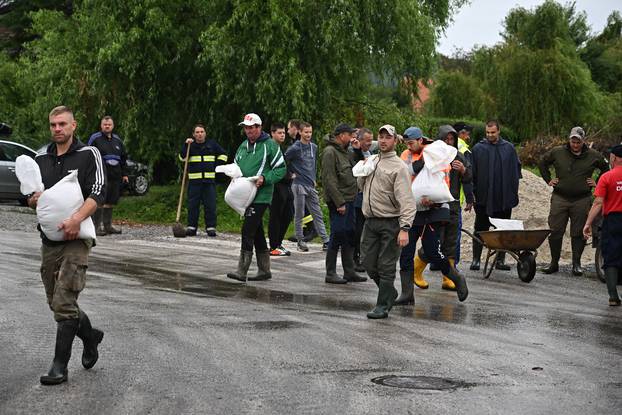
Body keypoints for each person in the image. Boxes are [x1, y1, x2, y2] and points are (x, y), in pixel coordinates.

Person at [29, 106, 106, 385]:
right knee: (56, 302)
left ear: (74, 125)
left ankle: (59, 367)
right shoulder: (41, 157)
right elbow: (31, 195)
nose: (57, 129)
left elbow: (98, 191)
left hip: (77, 238)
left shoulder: (88, 154)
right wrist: (33, 199)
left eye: (62, 124)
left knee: (64, 301)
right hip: (49, 240)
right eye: (53, 125)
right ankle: (90, 336)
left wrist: (76, 219)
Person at [395, 127, 468, 305]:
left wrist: (432, 197)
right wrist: (423, 164)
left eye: (412, 143)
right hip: (414, 210)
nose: (409, 147)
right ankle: (407, 293)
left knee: (432, 251)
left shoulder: (436, 151)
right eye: (407, 143)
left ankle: (456, 277)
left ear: (421, 140)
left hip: (435, 210)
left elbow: (444, 178)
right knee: (406, 251)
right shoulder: (407, 154)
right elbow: (407, 171)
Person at [357, 125, 416, 319]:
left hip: (391, 222)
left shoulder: (399, 167)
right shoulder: (372, 160)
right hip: (370, 221)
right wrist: (363, 169)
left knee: (386, 265)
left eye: (387, 138)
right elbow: (362, 185)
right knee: (366, 260)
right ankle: (389, 291)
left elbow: (407, 199)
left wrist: (405, 228)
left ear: (395, 141)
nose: (383, 141)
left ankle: (382, 305)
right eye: (380, 137)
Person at [538, 127, 609, 275]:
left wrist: (597, 182)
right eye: (573, 141)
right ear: (569, 139)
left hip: (582, 199)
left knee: (578, 232)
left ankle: (576, 263)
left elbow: (606, 168)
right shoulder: (558, 152)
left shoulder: (593, 155)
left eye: (578, 142)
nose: (575, 144)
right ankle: (553, 263)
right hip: (560, 197)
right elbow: (543, 162)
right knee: (555, 230)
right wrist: (548, 179)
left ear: (583, 141)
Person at [413, 125, 473, 291]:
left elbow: (469, 177)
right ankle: (416, 272)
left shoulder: (458, 156)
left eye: (451, 139)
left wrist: (463, 170)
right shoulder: (431, 155)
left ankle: (448, 278)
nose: (449, 142)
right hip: (435, 206)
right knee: (434, 242)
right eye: (446, 139)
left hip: (453, 205)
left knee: (451, 241)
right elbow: (421, 179)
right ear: (439, 139)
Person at [227, 113, 286, 282]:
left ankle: (242, 270)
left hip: (261, 195)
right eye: (246, 127)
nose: (248, 131)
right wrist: (232, 174)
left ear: (259, 127)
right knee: (257, 232)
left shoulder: (270, 145)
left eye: (251, 127)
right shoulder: (242, 146)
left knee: (247, 230)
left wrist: (265, 178)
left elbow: (281, 169)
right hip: (245, 195)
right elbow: (236, 166)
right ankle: (264, 270)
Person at [470, 120, 522, 271]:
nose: (490, 135)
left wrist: (512, 192)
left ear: (498, 131)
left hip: (503, 197)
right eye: (487, 132)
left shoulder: (509, 148)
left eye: (493, 132)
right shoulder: (478, 149)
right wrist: (472, 193)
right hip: (483, 197)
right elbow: (472, 173)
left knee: (503, 229)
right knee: (480, 228)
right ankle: (476, 260)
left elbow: (516, 171)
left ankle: (500, 260)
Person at [321, 123, 366, 284]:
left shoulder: (346, 151)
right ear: (341, 135)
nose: (352, 138)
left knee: (349, 234)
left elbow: (359, 168)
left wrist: (358, 150)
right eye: (350, 135)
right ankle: (330, 272)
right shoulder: (330, 152)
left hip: (350, 199)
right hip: (339, 202)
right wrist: (339, 202)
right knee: (338, 233)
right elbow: (329, 180)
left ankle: (349, 271)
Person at [583, 144, 622, 306]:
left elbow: (598, 203)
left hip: (613, 221)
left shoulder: (606, 177)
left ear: (613, 158)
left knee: (611, 257)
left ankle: (613, 296)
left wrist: (588, 223)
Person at [284, 121, 330, 252]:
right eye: (306, 132)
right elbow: (284, 160)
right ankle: (300, 240)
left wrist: (314, 178)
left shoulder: (314, 147)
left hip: (310, 184)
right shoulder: (295, 148)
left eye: (310, 132)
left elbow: (313, 164)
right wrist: (289, 174)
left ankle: (326, 240)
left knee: (317, 213)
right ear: (300, 132)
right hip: (298, 184)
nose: (308, 134)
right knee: (299, 214)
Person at [179, 124, 228, 237]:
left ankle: (211, 227)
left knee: (210, 205)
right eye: (197, 132)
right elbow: (182, 158)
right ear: (193, 134)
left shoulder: (212, 144)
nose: (199, 134)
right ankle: (192, 227)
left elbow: (223, 155)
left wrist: (216, 166)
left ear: (205, 133)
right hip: (194, 182)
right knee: (193, 205)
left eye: (201, 132)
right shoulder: (190, 146)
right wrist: (186, 145)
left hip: (209, 181)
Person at [88, 116, 127, 236]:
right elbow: (88, 154)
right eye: (105, 124)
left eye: (109, 124)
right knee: (100, 200)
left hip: (115, 175)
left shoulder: (117, 140)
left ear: (113, 126)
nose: (107, 126)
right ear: (101, 126)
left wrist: (124, 174)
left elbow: (124, 158)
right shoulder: (95, 138)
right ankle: (96, 228)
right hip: (101, 174)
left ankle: (108, 226)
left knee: (111, 200)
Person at [349, 127, 378, 271]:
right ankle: (354, 259)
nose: (369, 143)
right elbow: (357, 169)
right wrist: (357, 151)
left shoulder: (370, 152)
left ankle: (361, 257)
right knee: (357, 231)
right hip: (356, 198)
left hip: (367, 197)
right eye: (366, 141)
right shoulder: (353, 152)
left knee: (365, 232)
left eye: (370, 141)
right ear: (358, 140)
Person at [287, 118, 317, 242]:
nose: (287, 131)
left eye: (289, 128)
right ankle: (304, 231)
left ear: (296, 129)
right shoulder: (296, 144)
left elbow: (310, 163)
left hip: (303, 181)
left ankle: (311, 230)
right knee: (298, 207)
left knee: (304, 207)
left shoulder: (305, 145)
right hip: (298, 181)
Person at [268, 122, 294, 256]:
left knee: (288, 214)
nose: (282, 135)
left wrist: (290, 174)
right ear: (272, 133)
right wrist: (286, 176)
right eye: (279, 133)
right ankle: (273, 246)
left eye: (284, 133)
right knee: (276, 216)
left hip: (286, 186)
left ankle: (278, 242)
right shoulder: (270, 148)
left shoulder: (280, 148)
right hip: (276, 187)